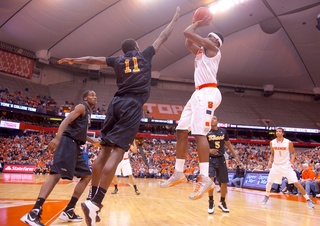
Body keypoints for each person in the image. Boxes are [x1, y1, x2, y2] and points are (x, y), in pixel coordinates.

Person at [58, 7, 180, 226]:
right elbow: (163, 36)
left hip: (114, 104)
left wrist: (73, 59)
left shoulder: (117, 61)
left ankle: (92, 199)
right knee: (118, 151)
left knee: (104, 150)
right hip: (132, 105)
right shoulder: (145, 55)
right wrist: (175, 18)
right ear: (136, 47)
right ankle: (96, 202)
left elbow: (92, 59)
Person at [160, 14, 224, 201]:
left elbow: (187, 32)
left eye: (211, 37)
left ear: (216, 42)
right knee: (181, 131)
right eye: (208, 36)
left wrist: (196, 23)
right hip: (197, 93)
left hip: (209, 93)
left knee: (199, 133)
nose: (208, 38)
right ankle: (179, 173)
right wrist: (193, 27)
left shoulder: (213, 49)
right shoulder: (201, 52)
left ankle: (205, 178)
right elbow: (188, 41)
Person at [20, 90, 98, 226]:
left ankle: (69, 210)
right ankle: (33, 213)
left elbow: (81, 133)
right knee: (55, 175)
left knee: (86, 176)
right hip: (67, 142)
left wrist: (94, 142)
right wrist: (57, 137)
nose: (94, 97)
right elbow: (66, 120)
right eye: (91, 95)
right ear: (85, 98)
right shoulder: (81, 107)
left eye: (95, 95)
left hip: (76, 146)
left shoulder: (89, 114)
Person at [261, 127, 314, 209]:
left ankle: (308, 199)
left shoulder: (288, 142)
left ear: (282, 133)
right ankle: (266, 196)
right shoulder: (272, 142)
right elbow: (272, 154)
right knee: (269, 182)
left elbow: (293, 153)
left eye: (279, 131)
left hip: (286, 165)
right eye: (276, 131)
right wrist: (270, 162)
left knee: (296, 183)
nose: (278, 133)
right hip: (276, 165)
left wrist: (292, 162)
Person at [206, 116, 241, 214]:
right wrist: (209, 150)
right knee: (210, 181)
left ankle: (222, 202)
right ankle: (211, 201)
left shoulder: (223, 131)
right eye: (211, 118)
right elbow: (201, 146)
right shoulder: (206, 132)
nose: (213, 119)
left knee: (224, 181)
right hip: (210, 159)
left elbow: (229, 144)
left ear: (218, 121)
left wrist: (236, 156)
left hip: (221, 158)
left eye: (215, 118)